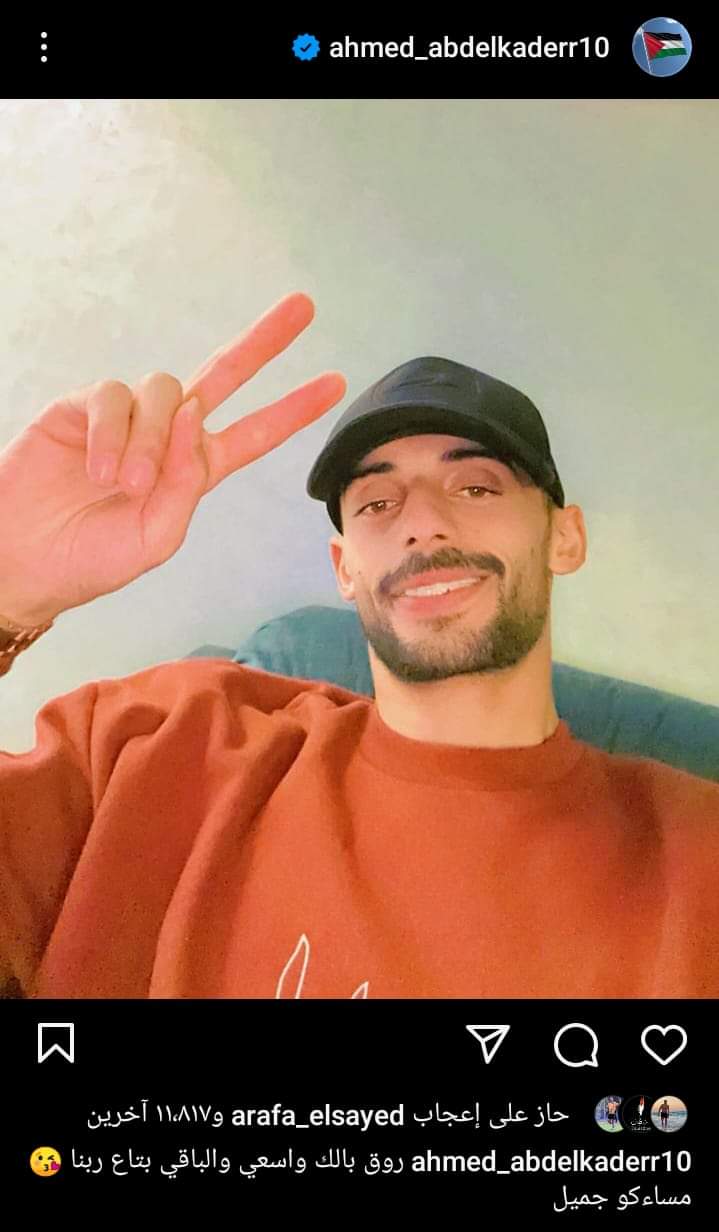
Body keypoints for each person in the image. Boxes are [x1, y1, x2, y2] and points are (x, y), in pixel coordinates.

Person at [0, 291, 717, 1001]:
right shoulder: (156, 741)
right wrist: (7, 585)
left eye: (475, 487)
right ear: (344, 569)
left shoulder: (697, 859)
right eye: (377, 503)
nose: (422, 522)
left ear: (565, 537)